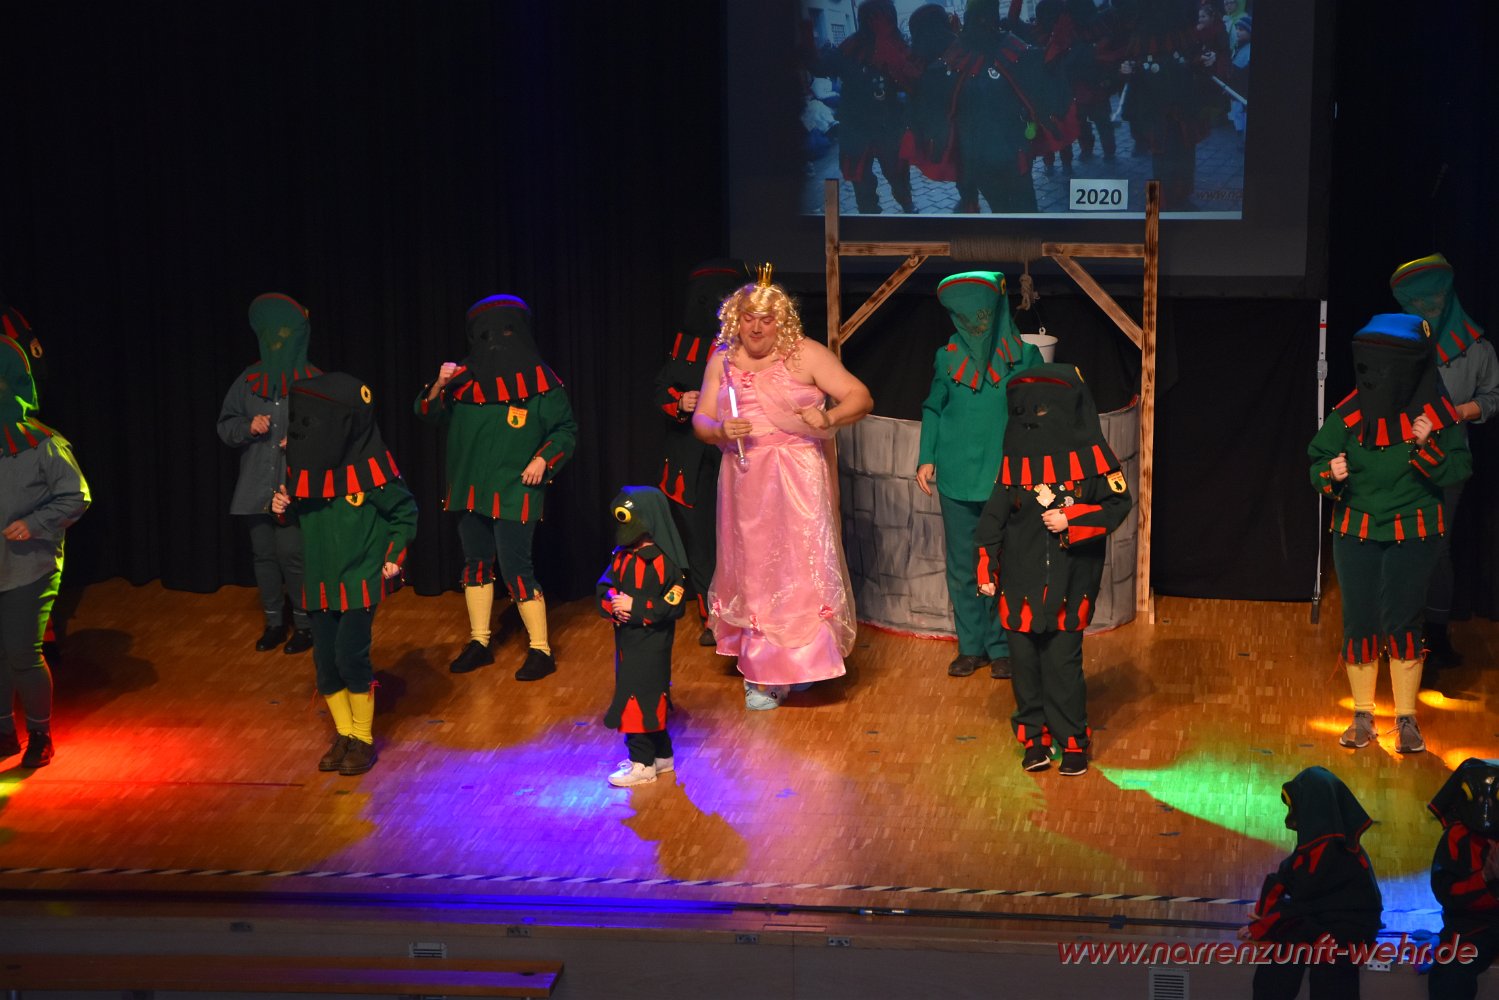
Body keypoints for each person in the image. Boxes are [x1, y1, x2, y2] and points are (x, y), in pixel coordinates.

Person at [693, 266, 871, 710]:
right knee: (755, 570)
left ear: (782, 321)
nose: (756, 328)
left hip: (797, 476)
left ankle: (803, 662)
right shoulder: (723, 360)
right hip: (745, 477)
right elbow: (701, 418)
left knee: (801, 567)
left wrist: (828, 417)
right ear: (736, 319)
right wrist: (718, 429)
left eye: (767, 319)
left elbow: (860, 396)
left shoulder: (805, 354)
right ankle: (764, 674)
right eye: (748, 318)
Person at [1308, 313, 1470, 754]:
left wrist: (1428, 447)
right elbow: (1317, 460)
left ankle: (1406, 719)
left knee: (1403, 621)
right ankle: (1362, 716)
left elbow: (1460, 468)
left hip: (1414, 533)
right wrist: (1330, 473)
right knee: (1360, 621)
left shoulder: (1437, 416)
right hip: (1356, 531)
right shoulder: (1350, 414)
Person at [975, 363, 1131, 774]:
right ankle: (1034, 739)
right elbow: (992, 522)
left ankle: (1072, 740)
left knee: (1062, 668)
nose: (1031, 420)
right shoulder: (1015, 466)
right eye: (1023, 412)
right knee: (1025, 670)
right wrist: (987, 570)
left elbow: (1118, 504)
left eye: (1041, 410)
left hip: (1069, 586)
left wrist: (1072, 519)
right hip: (1019, 587)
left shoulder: (1094, 462)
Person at [417, 295, 577, 681]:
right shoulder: (462, 381)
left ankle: (541, 650)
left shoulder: (541, 383)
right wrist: (439, 385)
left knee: (516, 568)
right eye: (486, 334)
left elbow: (566, 430)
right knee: (475, 563)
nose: (496, 342)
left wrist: (544, 459)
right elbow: (427, 414)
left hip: (515, 487)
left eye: (505, 331)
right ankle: (480, 642)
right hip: (470, 486)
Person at [272, 372, 416, 776]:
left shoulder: (373, 471)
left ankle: (363, 739)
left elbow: (404, 512)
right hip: (319, 579)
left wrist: (394, 555)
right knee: (325, 663)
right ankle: (345, 733)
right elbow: (297, 514)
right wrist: (282, 508)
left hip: (358, 579)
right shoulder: (305, 470)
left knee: (350, 656)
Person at [917, 271, 1044, 679]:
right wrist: (926, 456)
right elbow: (934, 406)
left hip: (1004, 476)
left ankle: (1002, 645)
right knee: (963, 564)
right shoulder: (946, 356)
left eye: (980, 315)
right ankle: (971, 646)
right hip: (956, 474)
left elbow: (1040, 415)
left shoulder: (1025, 357)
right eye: (963, 316)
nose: (973, 325)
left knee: (1003, 560)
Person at [1389, 254, 1499, 678]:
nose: (1426, 307)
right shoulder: (1396, 340)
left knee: (1436, 546)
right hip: (1398, 458)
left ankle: (1434, 638)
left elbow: (1492, 397)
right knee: (1396, 543)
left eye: (1433, 298)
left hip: (1449, 460)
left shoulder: (1476, 348)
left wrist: (1456, 413)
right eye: (1417, 301)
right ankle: (1396, 634)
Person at [0, 336, 89, 768]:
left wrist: (34, 523)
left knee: (22, 652)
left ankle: (40, 734)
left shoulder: (45, 444)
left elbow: (76, 496)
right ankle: (3, 732)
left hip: (28, 565)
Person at [217, 293, 320, 655]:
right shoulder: (248, 381)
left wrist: (301, 441)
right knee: (264, 556)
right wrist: (247, 427)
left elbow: (333, 435)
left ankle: (305, 625)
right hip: (256, 485)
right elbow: (225, 425)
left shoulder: (314, 381)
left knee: (292, 554)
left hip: (295, 489)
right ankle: (274, 623)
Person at [654, 261, 743, 646]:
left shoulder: (747, 344)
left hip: (736, 451)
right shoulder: (683, 344)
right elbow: (661, 390)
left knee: (738, 535)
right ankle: (712, 617)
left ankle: (744, 615)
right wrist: (679, 401)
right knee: (701, 540)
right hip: (690, 457)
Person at [1241, 766, 1382, 1000]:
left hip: (1343, 937)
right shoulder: (1332, 843)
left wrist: (1263, 924)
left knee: (1286, 954)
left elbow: (1300, 901)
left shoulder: (1327, 849)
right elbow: (1287, 878)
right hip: (1340, 930)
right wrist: (1265, 916)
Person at [597, 487, 688, 788]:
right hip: (627, 643)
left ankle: (642, 765)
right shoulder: (622, 557)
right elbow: (604, 587)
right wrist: (613, 605)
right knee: (644, 696)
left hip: (652, 645)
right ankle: (661, 757)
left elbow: (672, 606)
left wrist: (635, 606)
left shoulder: (666, 563)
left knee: (640, 699)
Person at [820, 0, 919, 214]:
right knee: (861, 179)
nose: (878, 23)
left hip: (888, 124)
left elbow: (913, 83)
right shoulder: (850, 47)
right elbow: (823, 67)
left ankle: (907, 205)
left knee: (897, 173)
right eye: (873, 18)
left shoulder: (898, 46)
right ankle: (871, 216)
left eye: (881, 17)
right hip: (856, 127)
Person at [1427, 758, 1499, 1000]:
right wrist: (1485, 877)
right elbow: (1446, 893)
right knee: (1451, 972)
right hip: (1470, 928)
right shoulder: (1456, 837)